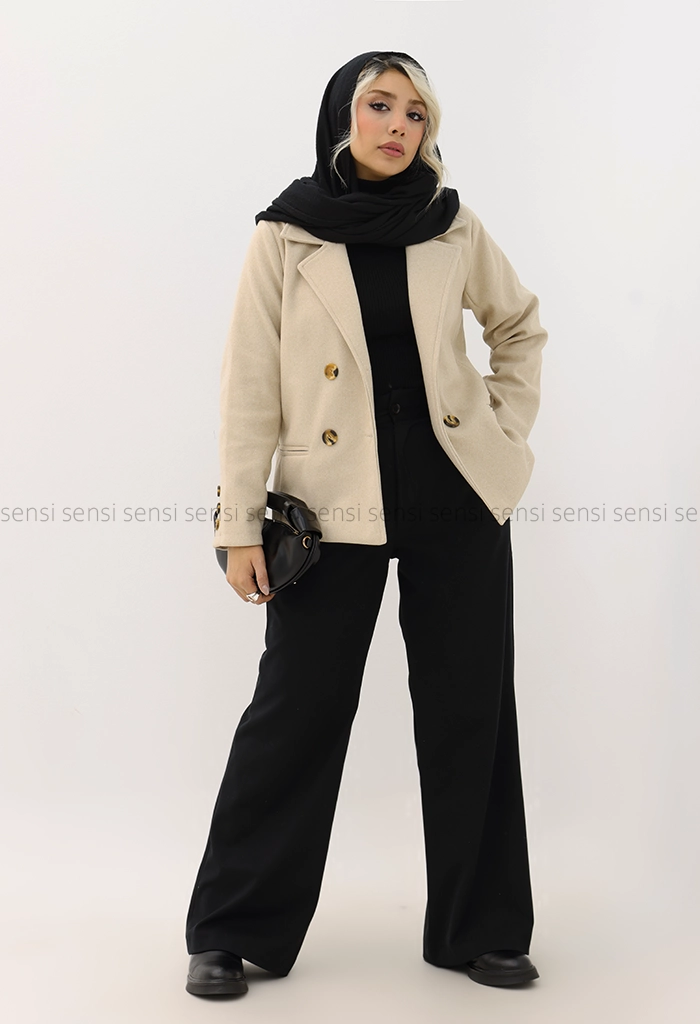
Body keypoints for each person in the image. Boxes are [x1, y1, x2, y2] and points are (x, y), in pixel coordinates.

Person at [185, 50, 548, 998]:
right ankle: (231, 928)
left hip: (457, 500)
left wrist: (504, 432)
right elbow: (248, 383)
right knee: (295, 711)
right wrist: (238, 523)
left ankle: (482, 928)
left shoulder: (451, 224)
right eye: (380, 105)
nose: (399, 126)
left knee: (471, 709)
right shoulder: (286, 232)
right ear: (341, 116)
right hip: (327, 509)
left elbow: (519, 327)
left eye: (416, 113)